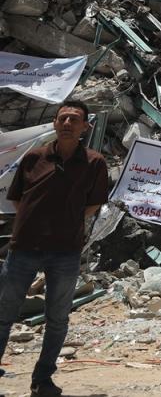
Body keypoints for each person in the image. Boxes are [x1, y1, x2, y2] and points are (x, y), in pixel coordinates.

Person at [0, 100, 108, 397]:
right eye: (62, 118)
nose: (67, 123)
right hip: (23, 248)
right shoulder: (34, 158)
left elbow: (94, 203)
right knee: (4, 314)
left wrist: (66, 222)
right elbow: (18, 199)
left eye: (74, 119)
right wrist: (35, 223)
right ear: (54, 123)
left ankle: (42, 379)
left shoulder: (94, 162)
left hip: (65, 251)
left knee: (57, 319)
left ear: (85, 127)